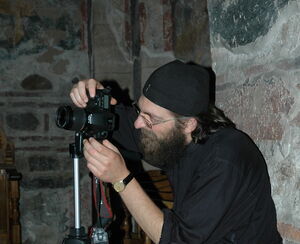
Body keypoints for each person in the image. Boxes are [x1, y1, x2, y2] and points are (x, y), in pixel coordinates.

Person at [70, 60, 282, 244]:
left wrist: (121, 180)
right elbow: (118, 125)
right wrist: (93, 101)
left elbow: (178, 240)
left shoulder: (225, 158)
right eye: (139, 111)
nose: (137, 123)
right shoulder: (179, 137)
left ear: (189, 123)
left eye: (150, 118)